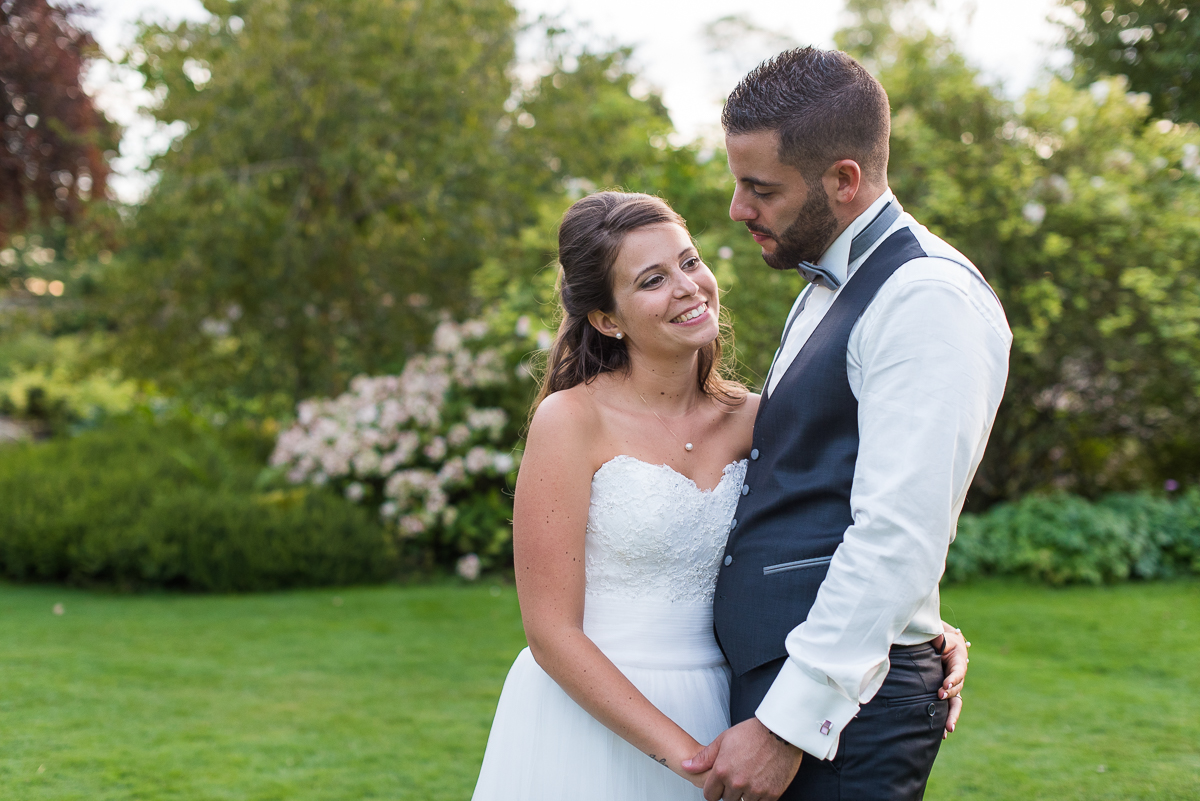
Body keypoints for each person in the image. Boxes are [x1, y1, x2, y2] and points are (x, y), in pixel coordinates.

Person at [470, 190, 969, 800]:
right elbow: (550, 631)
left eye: (689, 261)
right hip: (595, 716)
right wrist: (692, 759)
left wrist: (920, 628)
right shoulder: (571, 421)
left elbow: (846, 535)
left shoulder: (758, 419)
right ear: (607, 318)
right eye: (653, 279)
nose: (688, 287)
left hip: (731, 703)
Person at [681, 47, 1012, 801]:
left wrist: (788, 723)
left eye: (760, 189)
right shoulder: (830, 284)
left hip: (836, 716)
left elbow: (900, 530)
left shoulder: (926, 298)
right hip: (798, 687)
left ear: (844, 179)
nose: (738, 210)